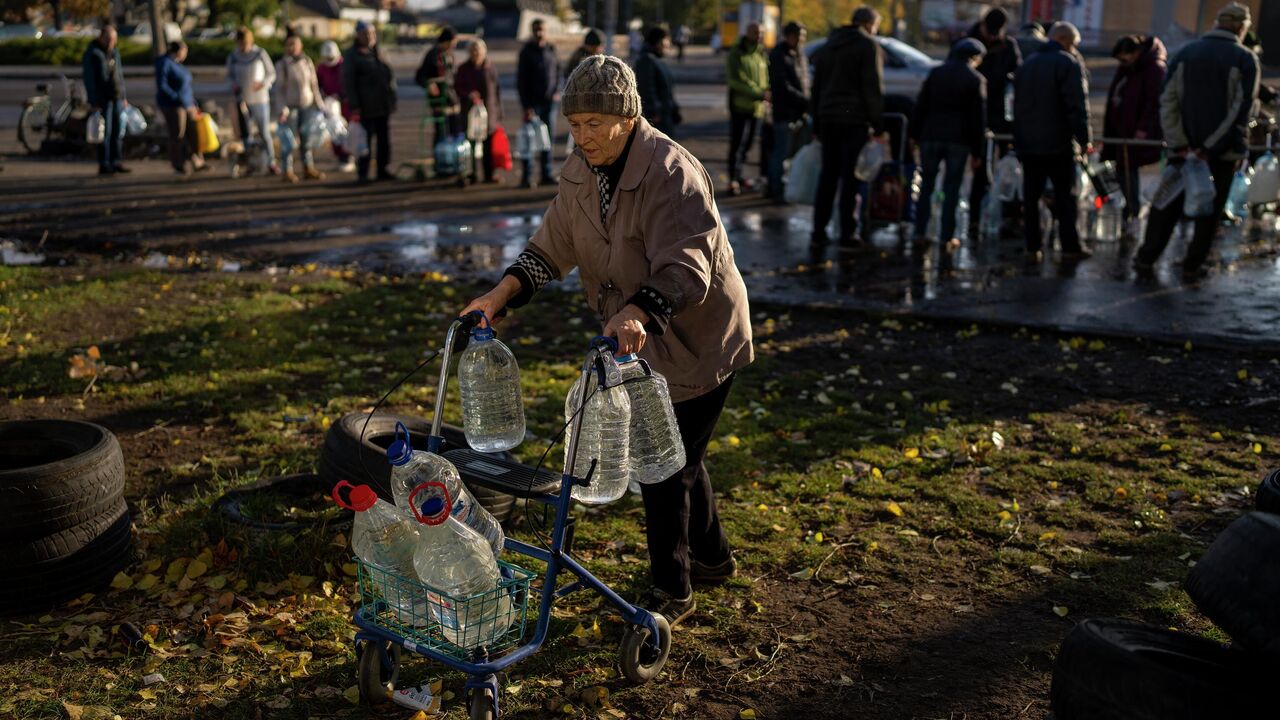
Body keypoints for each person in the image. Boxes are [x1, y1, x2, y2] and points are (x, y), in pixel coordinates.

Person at [461, 56, 753, 628]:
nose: (583, 136)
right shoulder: (579, 172)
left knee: (663, 466)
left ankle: (672, 591)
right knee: (679, 451)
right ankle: (713, 557)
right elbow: (549, 250)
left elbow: (688, 265)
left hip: (698, 335)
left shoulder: (672, 171)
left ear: (627, 117)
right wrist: (497, 297)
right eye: (574, 125)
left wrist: (640, 309)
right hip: (635, 340)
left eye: (596, 122)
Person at [1135, 3, 1260, 280]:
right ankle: (1193, 265)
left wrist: (1180, 143)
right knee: (1209, 212)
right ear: (1241, 28)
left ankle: (1146, 258)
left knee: (1166, 205)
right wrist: (1209, 148)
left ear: (1216, 24)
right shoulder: (1245, 59)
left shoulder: (1185, 53)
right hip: (1221, 153)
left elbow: (1167, 102)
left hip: (1181, 150)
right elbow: (1240, 110)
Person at [1013, 22, 1093, 261]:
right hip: (1058, 143)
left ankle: (1032, 246)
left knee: (1031, 196)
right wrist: (1084, 139)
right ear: (1065, 41)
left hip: (1028, 144)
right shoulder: (1067, 64)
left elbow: (1017, 107)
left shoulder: (1027, 65)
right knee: (1065, 196)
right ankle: (1070, 246)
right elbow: (1077, 106)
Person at [811, 6, 885, 247]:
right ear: (866, 23)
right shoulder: (867, 46)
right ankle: (847, 232)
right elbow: (872, 88)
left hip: (828, 120)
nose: (875, 31)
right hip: (854, 121)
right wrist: (878, 123)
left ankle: (818, 230)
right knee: (851, 179)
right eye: (875, 26)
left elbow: (816, 88)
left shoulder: (829, 45)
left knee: (828, 177)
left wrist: (816, 121)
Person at [911, 38, 986, 243]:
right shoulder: (974, 79)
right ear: (974, 58)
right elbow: (978, 120)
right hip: (958, 140)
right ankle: (947, 235)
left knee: (926, 185)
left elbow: (921, 106)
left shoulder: (936, 73)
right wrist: (979, 152)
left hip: (930, 136)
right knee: (951, 188)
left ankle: (920, 231)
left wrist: (914, 135)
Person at [1102, 35, 1167, 233]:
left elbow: (1154, 102)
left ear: (1136, 53)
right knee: (1123, 169)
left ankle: (1132, 210)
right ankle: (1130, 209)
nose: (1122, 62)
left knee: (1129, 169)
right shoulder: (1129, 68)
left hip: (1136, 132)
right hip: (1122, 129)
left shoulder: (1154, 69)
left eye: (1125, 58)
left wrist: (1144, 128)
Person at [967, 8, 1021, 236]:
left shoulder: (1008, 46)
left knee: (1008, 170)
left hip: (1002, 118)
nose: (992, 37)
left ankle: (1010, 215)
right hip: (976, 116)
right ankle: (975, 217)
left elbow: (1019, 74)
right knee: (979, 168)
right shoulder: (969, 45)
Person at [342, 21, 397, 182]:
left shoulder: (378, 52)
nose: (370, 36)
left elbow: (389, 76)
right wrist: (354, 106)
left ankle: (383, 170)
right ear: (358, 35)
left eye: (372, 33)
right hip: (365, 106)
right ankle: (363, 173)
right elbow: (348, 82)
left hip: (383, 105)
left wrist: (392, 98)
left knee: (384, 141)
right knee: (364, 141)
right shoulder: (352, 55)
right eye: (365, 33)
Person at [274, 32, 326, 183]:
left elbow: (314, 85)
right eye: (289, 44)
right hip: (290, 108)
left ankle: (308, 168)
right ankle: (287, 170)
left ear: (300, 45)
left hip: (307, 105)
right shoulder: (282, 65)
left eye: (294, 44)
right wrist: (281, 108)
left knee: (306, 139)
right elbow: (279, 90)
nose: (292, 47)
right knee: (289, 141)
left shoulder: (307, 61)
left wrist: (319, 104)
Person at [766, 21, 809, 202]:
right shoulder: (779, 55)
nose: (801, 40)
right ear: (789, 36)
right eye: (799, 36)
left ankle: (781, 187)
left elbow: (804, 80)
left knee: (789, 153)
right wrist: (805, 100)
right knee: (781, 153)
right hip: (785, 112)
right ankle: (774, 189)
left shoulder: (798, 54)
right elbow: (782, 86)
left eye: (803, 37)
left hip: (797, 111)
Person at [226, 27, 278, 175]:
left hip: (260, 99)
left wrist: (263, 83)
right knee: (246, 134)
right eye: (240, 44)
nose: (243, 47)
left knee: (264, 132)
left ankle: (271, 161)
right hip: (242, 100)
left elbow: (272, 73)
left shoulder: (259, 53)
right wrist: (234, 85)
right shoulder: (234, 56)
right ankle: (250, 162)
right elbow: (229, 76)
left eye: (245, 44)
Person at [725, 23, 769, 195]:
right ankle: (732, 179)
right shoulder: (737, 52)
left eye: (761, 33)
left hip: (757, 108)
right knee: (737, 144)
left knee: (749, 144)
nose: (759, 36)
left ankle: (740, 175)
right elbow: (735, 80)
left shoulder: (761, 53)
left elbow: (765, 77)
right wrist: (758, 93)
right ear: (748, 33)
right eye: (756, 32)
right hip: (741, 106)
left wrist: (766, 92)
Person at [516, 19, 561, 188]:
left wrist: (557, 90)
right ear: (532, 31)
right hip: (532, 103)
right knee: (529, 140)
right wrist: (526, 106)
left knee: (547, 139)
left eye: (541, 29)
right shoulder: (526, 52)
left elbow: (558, 71)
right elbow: (521, 80)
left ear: (545, 30)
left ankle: (546, 174)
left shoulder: (551, 49)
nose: (539, 32)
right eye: (536, 29)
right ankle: (526, 177)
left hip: (549, 102)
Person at [155, 40, 207, 176]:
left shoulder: (178, 64)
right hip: (173, 105)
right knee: (178, 135)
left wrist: (192, 102)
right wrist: (177, 98)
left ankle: (197, 160)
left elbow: (186, 87)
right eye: (185, 51)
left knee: (193, 133)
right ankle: (178, 165)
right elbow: (162, 85)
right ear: (179, 51)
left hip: (187, 104)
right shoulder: (165, 63)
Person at [455, 38, 503, 183]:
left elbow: (497, 92)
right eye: (473, 50)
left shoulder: (490, 68)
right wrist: (468, 94)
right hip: (470, 114)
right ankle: (471, 174)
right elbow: (458, 87)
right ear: (469, 52)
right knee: (471, 145)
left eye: (479, 50)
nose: (476, 53)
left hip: (489, 113)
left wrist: (499, 113)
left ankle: (489, 174)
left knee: (488, 146)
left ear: (484, 52)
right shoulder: (463, 68)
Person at [83, 24, 128, 176]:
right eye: (108, 39)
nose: (111, 42)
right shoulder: (93, 54)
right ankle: (104, 163)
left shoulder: (115, 53)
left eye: (113, 39)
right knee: (105, 133)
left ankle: (116, 161)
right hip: (102, 99)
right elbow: (90, 79)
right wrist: (93, 101)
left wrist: (123, 97)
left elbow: (119, 76)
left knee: (117, 131)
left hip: (116, 98)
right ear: (101, 38)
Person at [416, 25, 461, 137]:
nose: (455, 44)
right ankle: (440, 153)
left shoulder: (450, 54)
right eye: (454, 41)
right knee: (442, 132)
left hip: (452, 99)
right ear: (447, 40)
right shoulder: (433, 55)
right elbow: (420, 76)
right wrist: (429, 84)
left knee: (455, 130)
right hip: (439, 100)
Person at [316, 40, 355, 172]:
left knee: (347, 129)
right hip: (330, 104)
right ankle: (340, 156)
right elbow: (317, 84)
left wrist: (342, 95)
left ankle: (348, 155)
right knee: (334, 130)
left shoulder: (344, 65)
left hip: (344, 103)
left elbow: (350, 82)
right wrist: (323, 96)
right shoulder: (321, 68)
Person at [634, 26, 680, 136]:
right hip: (656, 119)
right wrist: (652, 112)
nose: (669, 44)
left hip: (664, 115)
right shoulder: (646, 60)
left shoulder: (656, 59)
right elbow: (646, 88)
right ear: (659, 41)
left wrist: (674, 109)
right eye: (667, 40)